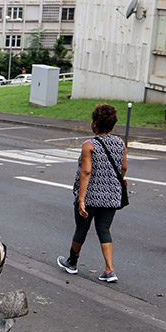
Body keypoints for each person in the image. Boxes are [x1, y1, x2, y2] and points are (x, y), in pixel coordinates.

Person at [57, 103, 127, 283]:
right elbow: (124, 167)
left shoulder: (89, 145)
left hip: (90, 196)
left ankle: (72, 262)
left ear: (95, 123)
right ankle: (110, 270)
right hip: (111, 196)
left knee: (82, 228)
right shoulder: (120, 142)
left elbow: (86, 172)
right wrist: (112, 184)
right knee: (104, 229)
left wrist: (81, 199)